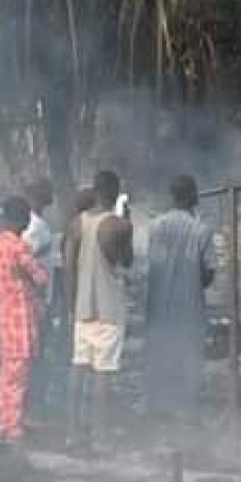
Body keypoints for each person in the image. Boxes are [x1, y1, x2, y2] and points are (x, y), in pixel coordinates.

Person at [63, 171, 134, 450]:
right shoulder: (118, 226)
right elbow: (126, 261)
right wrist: (127, 221)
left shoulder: (76, 224)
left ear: (94, 191)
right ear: (115, 192)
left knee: (78, 370)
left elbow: (68, 268)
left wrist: (72, 307)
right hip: (109, 309)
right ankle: (100, 436)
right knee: (103, 375)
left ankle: (72, 433)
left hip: (82, 308)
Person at [144, 175, 217, 422]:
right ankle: (187, 410)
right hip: (189, 306)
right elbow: (208, 274)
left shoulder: (155, 226)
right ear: (192, 196)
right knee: (189, 357)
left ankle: (158, 408)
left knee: (160, 354)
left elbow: (153, 263)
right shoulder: (201, 230)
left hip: (158, 304)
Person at [0, 197, 49, 442]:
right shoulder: (18, 246)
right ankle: (11, 425)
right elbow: (40, 278)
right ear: (23, 219)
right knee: (17, 375)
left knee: (7, 373)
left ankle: (6, 419)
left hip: (4, 316)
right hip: (20, 319)